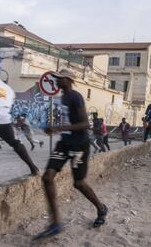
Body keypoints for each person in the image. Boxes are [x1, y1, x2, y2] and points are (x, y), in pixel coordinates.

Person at [37, 68, 107, 239]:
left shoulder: (76, 97)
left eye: (59, 78)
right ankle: (55, 223)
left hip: (79, 146)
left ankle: (101, 208)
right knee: (47, 178)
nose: (56, 81)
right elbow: (66, 121)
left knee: (79, 183)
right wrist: (52, 128)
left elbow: (85, 124)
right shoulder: (62, 98)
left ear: (68, 80)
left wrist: (59, 128)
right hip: (64, 144)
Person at [0, 62, 39, 176]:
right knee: (16, 144)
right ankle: (33, 167)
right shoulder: (8, 89)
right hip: (4, 121)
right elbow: (7, 104)